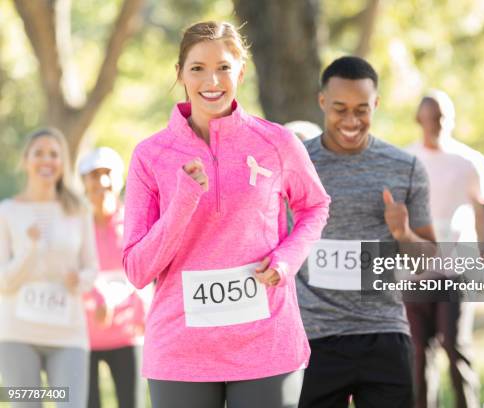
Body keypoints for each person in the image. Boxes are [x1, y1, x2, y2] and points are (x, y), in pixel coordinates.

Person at [122, 21, 330, 408]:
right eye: (197, 67)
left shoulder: (277, 143)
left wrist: (286, 260)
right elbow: (137, 269)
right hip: (181, 349)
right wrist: (183, 202)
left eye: (223, 67)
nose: (211, 80)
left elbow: (315, 206)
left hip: (266, 340)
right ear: (181, 73)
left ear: (242, 71)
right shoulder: (150, 156)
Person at [297, 56, 435, 408]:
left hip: (383, 332)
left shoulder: (405, 167)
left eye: (362, 109)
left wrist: (403, 234)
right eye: (340, 108)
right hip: (313, 337)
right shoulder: (296, 164)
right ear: (322, 101)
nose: (351, 121)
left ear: (376, 104)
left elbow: (428, 259)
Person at [404, 90, 484, 408]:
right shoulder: (406, 161)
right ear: (419, 120)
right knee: (418, 353)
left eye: (442, 117)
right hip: (415, 276)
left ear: (451, 119)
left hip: (454, 271)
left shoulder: (468, 161)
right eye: (430, 117)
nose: (436, 124)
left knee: (455, 346)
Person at [0, 128, 98, 408]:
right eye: (39, 153)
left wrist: (78, 280)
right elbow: (3, 282)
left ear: (63, 163)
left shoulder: (78, 210)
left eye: (54, 154)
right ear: (26, 160)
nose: (47, 160)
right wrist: (29, 251)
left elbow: (92, 269)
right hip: (16, 334)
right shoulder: (7, 211)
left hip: (68, 335)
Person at [79, 147, 148, 408]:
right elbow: (72, 271)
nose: (102, 182)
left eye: (107, 174)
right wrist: (99, 296)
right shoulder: (76, 225)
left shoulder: (136, 221)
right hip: (85, 338)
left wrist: (115, 298)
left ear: (119, 179)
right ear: (84, 183)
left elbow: (142, 270)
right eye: (94, 176)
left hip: (129, 335)